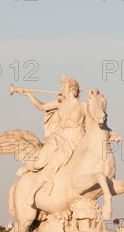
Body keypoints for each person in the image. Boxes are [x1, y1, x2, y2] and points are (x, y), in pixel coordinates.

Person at [19, 76, 86, 205]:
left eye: (63, 86)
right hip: (58, 138)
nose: (61, 89)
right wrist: (29, 95)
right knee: (38, 163)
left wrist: (111, 134)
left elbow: (97, 121)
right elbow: (41, 106)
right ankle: (29, 168)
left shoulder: (83, 105)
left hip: (73, 142)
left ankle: (33, 192)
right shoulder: (59, 102)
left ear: (72, 89)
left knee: (54, 163)